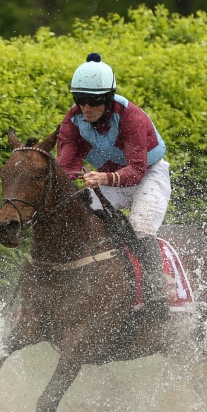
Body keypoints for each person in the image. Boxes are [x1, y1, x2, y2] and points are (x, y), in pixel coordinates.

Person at [56, 53, 172, 319]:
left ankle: (156, 293)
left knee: (141, 226)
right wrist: (71, 175)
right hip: (108, 177)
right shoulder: (72, 120)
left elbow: (136, 170)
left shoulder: (132, 117)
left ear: (108, 99)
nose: (86, 108)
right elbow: (66, 167)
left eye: (94, 101)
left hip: (148, 176)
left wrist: (103, 178)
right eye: (80, 100)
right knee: (85, 220)